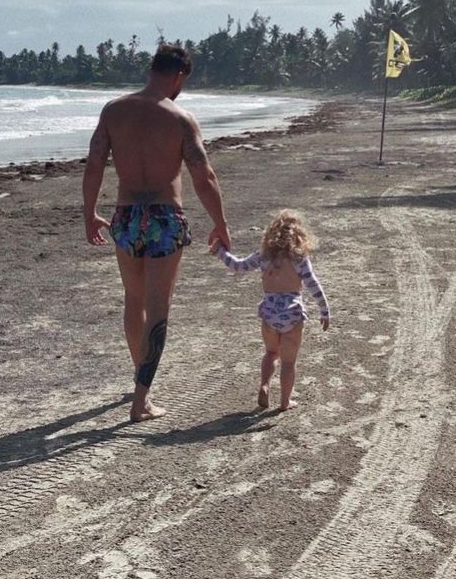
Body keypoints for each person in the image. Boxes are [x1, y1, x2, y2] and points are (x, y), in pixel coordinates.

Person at [82, 44, 231, 422]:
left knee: (134, 299)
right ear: (179, 75)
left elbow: (95, 161)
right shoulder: (180, 118)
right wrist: (221, 222)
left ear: (152, 69)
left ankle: (140, 380)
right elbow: (203, 174)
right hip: (165, 217)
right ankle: (141, 400)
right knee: (158, 306)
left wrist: (89, 213)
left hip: (127, 215)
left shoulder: (114, 111)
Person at [210, 210, 329, 412]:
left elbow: (238, 266)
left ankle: (264, 385)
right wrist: (324, 310)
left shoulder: (263, 257)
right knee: (289, 362)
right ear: (300, 235)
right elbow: (313, 284)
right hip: (292, 312)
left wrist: (221, 252)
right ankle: (285, 401)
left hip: (269, 312)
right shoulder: (299, 258)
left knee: (271, 353)